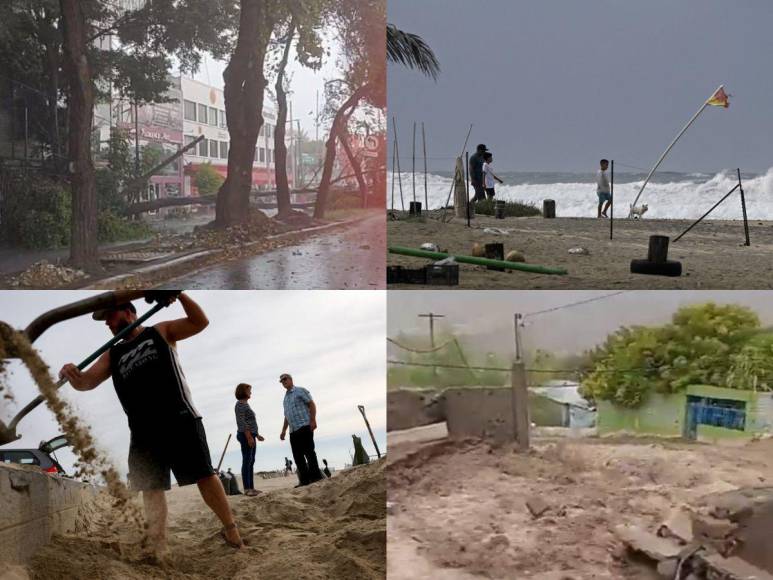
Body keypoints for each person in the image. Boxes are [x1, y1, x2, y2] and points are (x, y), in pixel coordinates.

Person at [58, 292, 245, 552]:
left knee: (204, 474)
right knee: (150, 487)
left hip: (179, 418)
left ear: (128, 312)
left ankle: (231, 530)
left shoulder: (161, 331)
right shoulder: (113, 353)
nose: (108, 324)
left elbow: (200, 322)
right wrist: (72, 375)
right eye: (105, 321)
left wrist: (179, 295)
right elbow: (87, 382)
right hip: (143, 431)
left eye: (110, 316)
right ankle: (157, 545)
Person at [279, 373, 323, 487]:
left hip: (304, 425)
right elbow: (287, 416)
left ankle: (316, 477)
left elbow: (311, 404)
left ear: (291, 379)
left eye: (285, 379)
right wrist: (283, 430)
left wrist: (313, 420)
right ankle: (304, 481)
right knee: (297, 456)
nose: (284, 382)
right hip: (293, 431)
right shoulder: (285, 398)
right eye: (282, 381)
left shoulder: (300, 390)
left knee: (309, 452)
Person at [234, 382, 264, 497]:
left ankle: (251, 487)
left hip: (250, 435)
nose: (250, 392)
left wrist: (256, 435)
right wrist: (249, 436)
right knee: (247, 461)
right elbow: (242, 422)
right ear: (243, 391)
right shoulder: (240, 404)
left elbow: (250, 421)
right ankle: (247, 489)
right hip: (245, 435)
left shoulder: (245, 404)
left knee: (251, 461)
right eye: (249, 390)